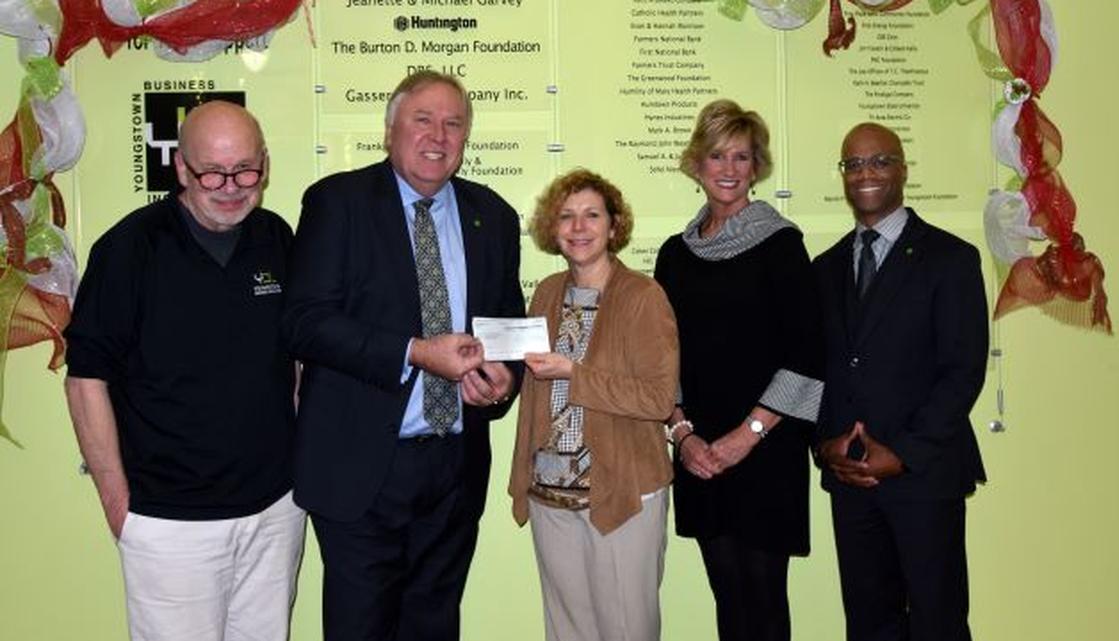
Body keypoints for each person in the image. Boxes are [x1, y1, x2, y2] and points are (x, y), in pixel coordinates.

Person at [281, 70, 525, 641]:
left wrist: (502, 382)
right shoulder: (337, 202)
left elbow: (507, 328)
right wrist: (415, 352)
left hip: (454, 469)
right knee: (360, 628)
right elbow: (303, 322)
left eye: (454, 123)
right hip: (361, 465)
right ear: (390, 128)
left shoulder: (494, 216)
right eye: (423, 119)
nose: (438, 135)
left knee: (435, 626)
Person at [63, 100, 305, 641]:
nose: (230, 186)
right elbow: (84, 381)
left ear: (264, 163)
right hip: (169, 522)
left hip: (274, 510)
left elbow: (295, 362)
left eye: (245, 169)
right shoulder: (129, 249)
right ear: (180, 168)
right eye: (211, 172)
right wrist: (117, 503)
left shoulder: (276, 238)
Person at [653, 99, 824, 641]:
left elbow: (807, 356)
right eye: (717, 155)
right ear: (696, 164)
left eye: (742, 157)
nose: (728, 169)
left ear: (757, 167)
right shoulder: (674, 255)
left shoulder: (782, 245)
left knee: (765, 602)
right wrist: (684, 436)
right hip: (699, 453)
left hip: (765, 449)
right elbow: (663, 356)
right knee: (727, 597)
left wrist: (744, 438)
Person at [813, 122, 988, 641]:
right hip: (851, 480)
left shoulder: (950, 259)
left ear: (903, 170)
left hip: (924, 476)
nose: (866, 173)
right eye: (854, 165)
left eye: (879, 161)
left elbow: (963, 371)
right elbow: (817, 368)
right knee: (868, 624)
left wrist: (904, 453)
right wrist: (825, 444)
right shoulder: (823, 270)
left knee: (938, 621)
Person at [509, 169, 679, 641]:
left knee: (627, 629)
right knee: (567, 631)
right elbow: (530, 384)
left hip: (621, 493)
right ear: (552, 227)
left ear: (613, 225)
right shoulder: (545, 292)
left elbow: (658, 397)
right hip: (550, 492)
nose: (578, 227)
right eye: (566, 216)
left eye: (591, 215)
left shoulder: (644, 296)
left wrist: (574, 374)